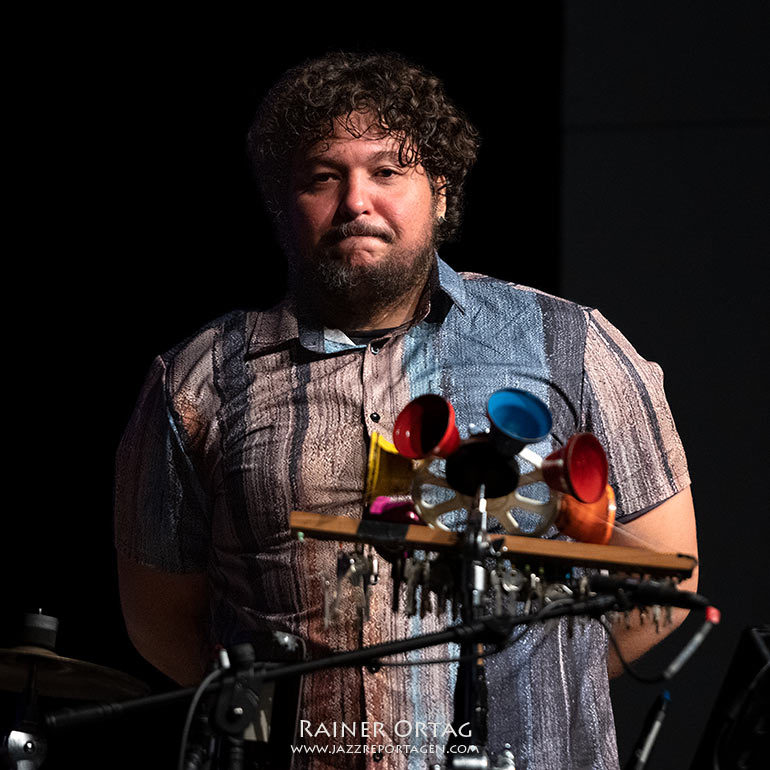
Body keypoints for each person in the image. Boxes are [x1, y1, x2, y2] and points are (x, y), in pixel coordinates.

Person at [114, 52, 698, 769]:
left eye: (388, 171)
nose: (356, 201)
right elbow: (163, 623)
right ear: (281, 205)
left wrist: (541, 691)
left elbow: (665, 579)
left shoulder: (570, 345)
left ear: (441, 194)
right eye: (322, 177)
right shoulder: (198, 379)